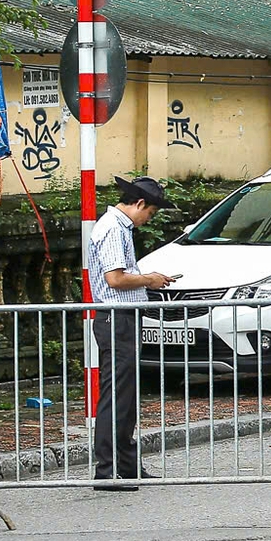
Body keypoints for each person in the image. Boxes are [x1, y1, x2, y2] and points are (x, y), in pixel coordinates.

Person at [87, 177, 177, 491]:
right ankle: (108, 469)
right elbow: (115, 279)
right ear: (139, 204)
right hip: (117, 317)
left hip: (123, 317)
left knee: (126, 395)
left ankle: (125, 465)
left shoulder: (118, 227)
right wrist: (149, 279)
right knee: (117, 395)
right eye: (149, 213)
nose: (147, 220)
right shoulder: (113, 228)